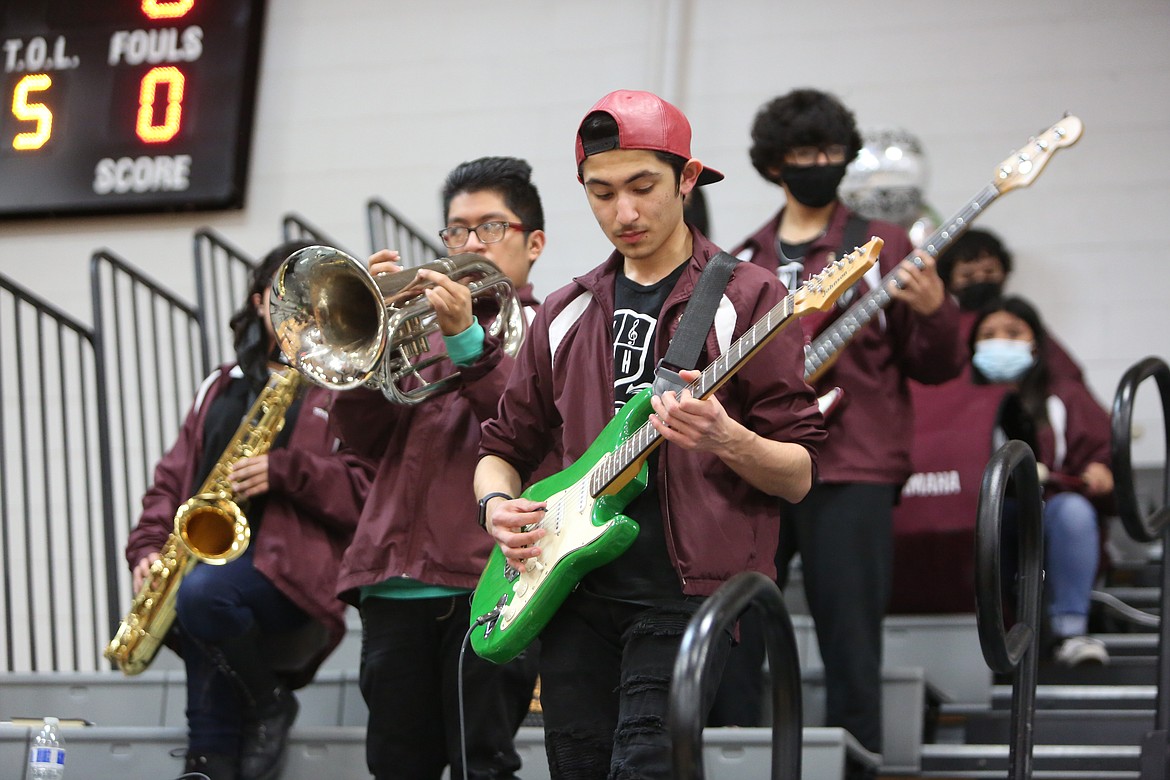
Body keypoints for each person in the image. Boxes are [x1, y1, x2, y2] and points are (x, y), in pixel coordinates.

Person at [475, 89, 825, 779]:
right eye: (601, 193)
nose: (623, 213)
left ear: (687, 179)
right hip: (572, 587)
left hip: (690, 592)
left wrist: (728, 438)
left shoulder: (748, 299)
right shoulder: (564, 311)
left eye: (643, 187)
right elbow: (500, 449)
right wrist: (495, 507)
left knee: (645, 767)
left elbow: (800, 472)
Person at [731, 87, 963, 768]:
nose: (817, 163)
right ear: (774, 163)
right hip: (761, 469)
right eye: (802, 153)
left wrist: (936, 309)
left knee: (850, 642)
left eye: (829, 152)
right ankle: (738, 757)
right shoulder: (745, 259)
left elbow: (938, 364)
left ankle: (857, 765)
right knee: (738, 632)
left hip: (853, 467)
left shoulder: (884, 246)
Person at [328, 156, 547, 780]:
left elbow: (530, 437)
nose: (471, 243)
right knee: (396, 765)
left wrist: (468, 345)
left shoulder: (549, 328)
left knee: (483, 764)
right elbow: (360, 441)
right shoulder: (416, 332)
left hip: (490, 581)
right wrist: (368, 341)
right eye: (456, 230)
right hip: (392, 582)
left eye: (491, 227)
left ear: (534, 244)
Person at [124, 240, 375, 780]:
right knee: (195, 599)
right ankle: (208, 758)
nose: (303, 317)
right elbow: (172, 480)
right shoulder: (220, 384)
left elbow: (367, 492)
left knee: (201, 595)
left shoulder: (345, 386)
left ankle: (266, 705)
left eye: (316, 304)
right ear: (261, 302)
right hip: (212, 567)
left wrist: (287, 472)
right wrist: (147, 547)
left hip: (295, 574)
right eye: (289, 301)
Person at [970, 295, 1114, 666]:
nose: (1000, 341)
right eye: (988, 334)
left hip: (1049, 507)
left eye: (1013, 333)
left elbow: (1100, 450)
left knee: (1075, 513)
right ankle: (987, 639)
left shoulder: (1065, 396)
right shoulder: (952, 401)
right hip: (980, 514)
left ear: (1035, 344)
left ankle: (1071, 631)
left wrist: (1100, 470)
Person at [937, 226, 1084, 381]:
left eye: (989, 272)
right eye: (968, 275)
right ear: (949, 280)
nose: (980, 279)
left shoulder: (1022, 319)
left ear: (1004, 273)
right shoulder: (945, 329)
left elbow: (1066, 380)